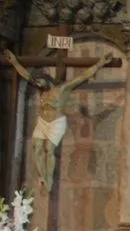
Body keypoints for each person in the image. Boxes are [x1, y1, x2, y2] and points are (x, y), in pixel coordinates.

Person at [3, 49, 114, 189]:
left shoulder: (62, 89)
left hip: (56, 122)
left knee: (49, 149)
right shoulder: (42, 90)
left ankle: (48, 179)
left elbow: (83, 76)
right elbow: (25, 74)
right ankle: (41, 176)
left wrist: (100, 63)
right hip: (42, 122)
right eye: (36, 82)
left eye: (39, 81)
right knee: (36, 148)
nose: (38, 84)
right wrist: (14, 62)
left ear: (46, 78)